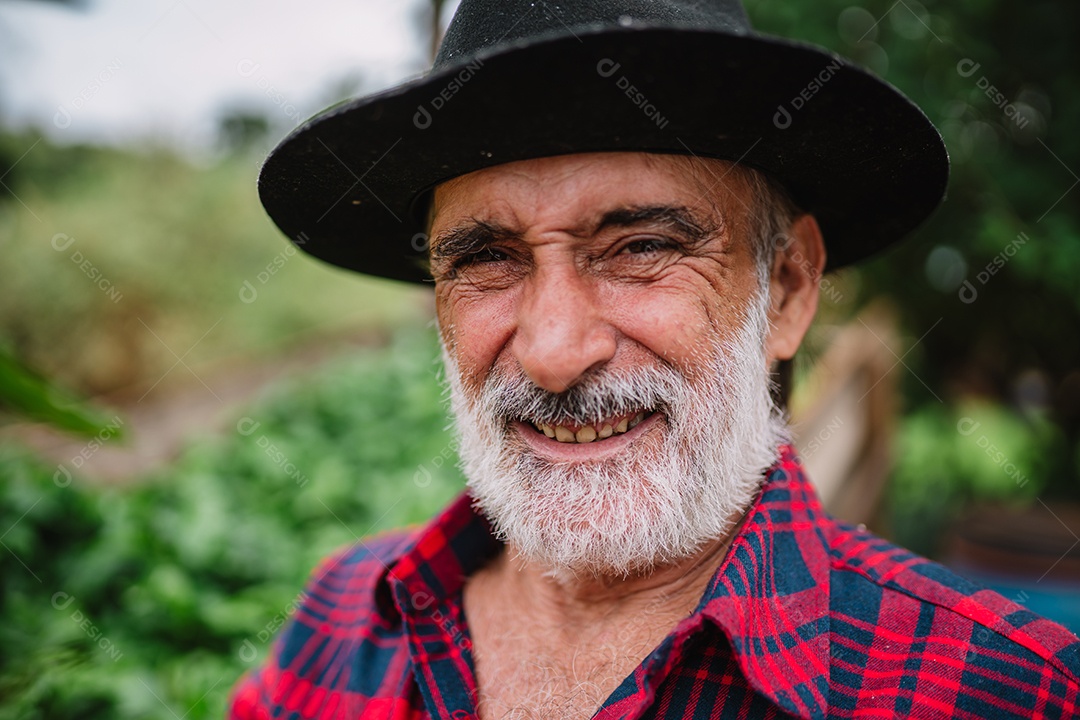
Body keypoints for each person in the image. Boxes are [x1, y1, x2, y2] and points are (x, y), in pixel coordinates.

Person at [230, 0, 1080, 717]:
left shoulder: (998, 689)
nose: (554, 353)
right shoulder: (342, 622)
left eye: (640, 247)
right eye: (487, 260)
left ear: (786, 290)